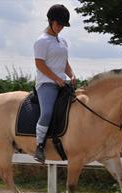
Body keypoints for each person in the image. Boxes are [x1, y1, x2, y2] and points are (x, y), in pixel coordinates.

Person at [33, 4, 76, 163]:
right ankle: (39, 147)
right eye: (58, 24)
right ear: (50, 21)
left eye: (63, 25)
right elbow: (40, 64)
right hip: (47, 84)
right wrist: (56, 79)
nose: (60, 28)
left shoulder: (62, 41)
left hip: (62, 83)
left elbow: (64, 63)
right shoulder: (42, 41)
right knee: (47, 112)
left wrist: (71, 75)